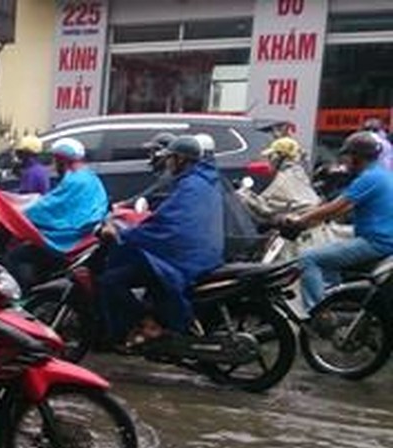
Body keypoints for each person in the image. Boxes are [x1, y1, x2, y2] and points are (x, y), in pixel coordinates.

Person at [97, 135, 224, 348]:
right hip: (203, 253)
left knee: (110, 281)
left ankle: (148, 324)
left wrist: (123, 234)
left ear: (181, 159)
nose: (166, 163)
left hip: (186, 258)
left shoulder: (190, 185)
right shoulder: (202, 181)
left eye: (169, 159)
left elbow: (167, 225)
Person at [283, 131, 393, 306]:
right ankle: (337, 302)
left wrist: (300, 220)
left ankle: (318, 313)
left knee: (307, 258)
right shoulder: (382, 174)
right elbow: (341, 210)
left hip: (376, 242)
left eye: (347, 156)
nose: (344, 161)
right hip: (381, 239)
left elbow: (336, 206)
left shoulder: (370, 178)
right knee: (328, 254)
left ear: (357, 157)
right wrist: (312, 220)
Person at [236, 137, 335, 312]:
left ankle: (313, 314)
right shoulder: (298, 172)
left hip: (301, 236)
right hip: (314, 231)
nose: (269, 161)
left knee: (288, 277)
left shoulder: (285, 178)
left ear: (279, 157)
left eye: (271, 156)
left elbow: (266, 208)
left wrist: (243, 195)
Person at [0, 138, 109, 291]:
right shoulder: (89, 176)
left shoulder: (74, 180)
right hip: (84, 235)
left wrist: (17, 213)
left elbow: (51, 206)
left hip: (70, 240)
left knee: (16, 256)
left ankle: (23, 297)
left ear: (61, 160)